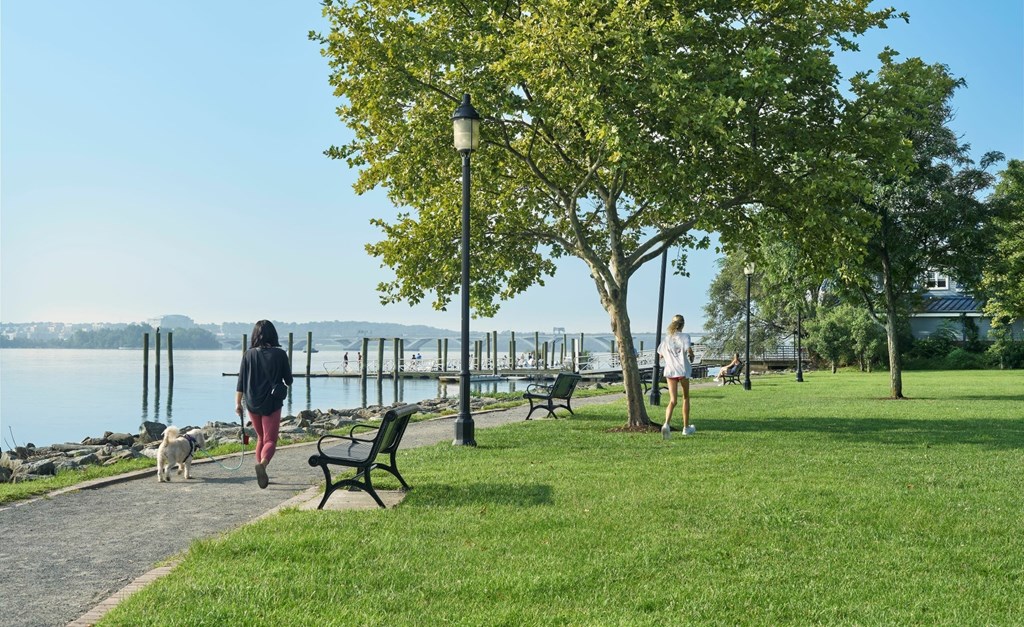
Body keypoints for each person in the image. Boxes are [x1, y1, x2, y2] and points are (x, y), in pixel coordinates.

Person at [235, 320, 293, 489]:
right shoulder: (280, 354)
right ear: (273, 335)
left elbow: (240, 382)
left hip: (252, 402)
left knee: (261, 437)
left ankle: (261, 470)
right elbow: (289, 381)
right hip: (272, 403)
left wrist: (238, 403)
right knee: (271, 440)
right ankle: (263, 465)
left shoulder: (248, 354)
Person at [657, 314, 696, 435]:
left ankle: (666, 424)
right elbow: (689, 350)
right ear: (683, 324)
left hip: (670, 371)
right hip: (682, 371)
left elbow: (660, 355)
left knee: (672, 400)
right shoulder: (685, 336)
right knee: (685, 397)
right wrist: (691, 356)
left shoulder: (667, 338)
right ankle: (685, 428)